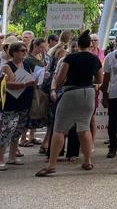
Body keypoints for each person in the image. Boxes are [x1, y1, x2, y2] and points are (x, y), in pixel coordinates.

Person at [36, 31, 103, 177]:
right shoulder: (95, 59)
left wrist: (55, 87)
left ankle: (52, 164)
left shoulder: (70, 58)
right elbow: (99, 79)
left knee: (59, 129)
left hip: (71, 93)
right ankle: (87, 161)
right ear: (90, 45)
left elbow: (60, 78)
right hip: (88, 94)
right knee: (84, 128)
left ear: (78, 44)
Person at [0, 42, 37, 170]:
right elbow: (9, 84)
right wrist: (25, 84)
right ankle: (0, 159)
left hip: (24, 101)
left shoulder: (26, 64)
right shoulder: (6, 66)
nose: (24, 52)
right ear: (13, 52)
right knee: (7, 131)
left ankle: (12, 157)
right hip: (10, 103)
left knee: (17, 131)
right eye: (22, 50)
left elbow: (31, 78)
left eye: (25, 50)